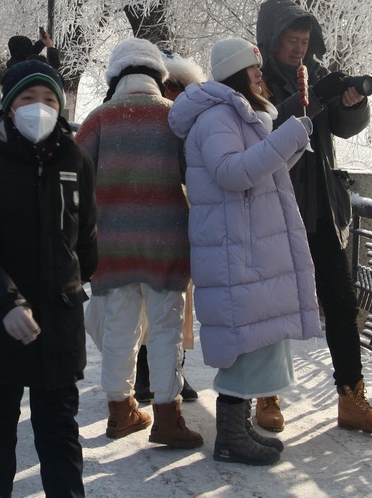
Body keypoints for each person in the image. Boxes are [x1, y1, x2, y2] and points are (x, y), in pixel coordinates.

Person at [167, 36, 321, 466]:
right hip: (236, 250)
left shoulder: (234, 114)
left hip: (243, 245)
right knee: (244, 343)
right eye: (252, 70)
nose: (260, 76)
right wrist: (289, 134)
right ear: (236, 73)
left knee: (256, 340)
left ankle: (241, 428)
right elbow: (233, 173)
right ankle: (231, 437)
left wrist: (291, 144)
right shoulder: (218, 116)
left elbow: (259, 173)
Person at [0, 60, 98, 498]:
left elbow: (87, 241)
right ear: (9, 108)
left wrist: (68, 288)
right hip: (1, 326)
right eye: (28, 99)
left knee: (59, 435)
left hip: (58, 327)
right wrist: (7, 302)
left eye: (50, 100)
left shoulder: (76, 160)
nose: (40, 108)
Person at [256, 0, 372, 434]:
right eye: (291, 40)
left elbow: (342, 126)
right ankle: (266, 393)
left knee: (340, 300)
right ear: (271, 39)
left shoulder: (310, 76)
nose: (298, 47)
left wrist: (352, 103)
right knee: (272, 305)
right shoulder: (254, 81)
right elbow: (270, 127)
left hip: (320, 210)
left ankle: (352, 397)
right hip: (277, 210)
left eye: (304, 40)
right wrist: (313, 98)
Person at [75, 38, 201, 449]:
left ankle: (120, 409)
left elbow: (74, 179)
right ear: (158, 77)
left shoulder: (97, 120)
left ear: (117, 77)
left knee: (119, 327)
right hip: (167, 242)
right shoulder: (174, 118)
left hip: (110, 243)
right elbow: (196, 176)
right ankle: (168, 416)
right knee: (165, 328)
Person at [131, 51, 208, 404]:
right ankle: (145, 374)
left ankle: (175, 370)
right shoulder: (148, 121)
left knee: (181, 303)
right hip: (148, 219)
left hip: (184, 218)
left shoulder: (195, 126)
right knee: (150, 301)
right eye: (173, 89)